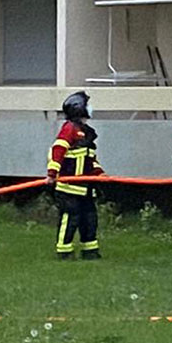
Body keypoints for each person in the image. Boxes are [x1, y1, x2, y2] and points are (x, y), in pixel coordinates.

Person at [47, 91, 103, 261]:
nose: (90, 108)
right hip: (69, 188)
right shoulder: (69, 129)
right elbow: (58, 150)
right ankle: (64, 251)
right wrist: (52, 174)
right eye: (87, 105)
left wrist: (99, 174)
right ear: (79, 108)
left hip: (86, 188)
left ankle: (90, 251)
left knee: (90, 219)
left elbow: (90, 160)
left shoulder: (87, 133)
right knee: (70, 219)